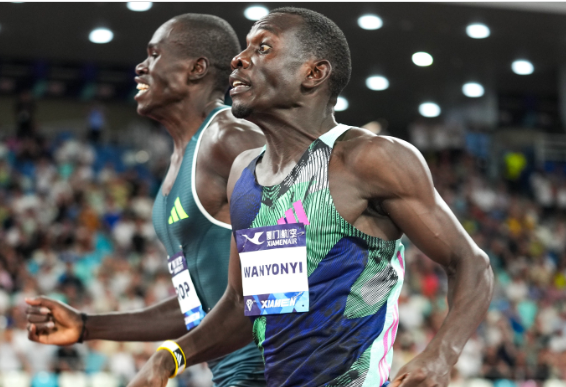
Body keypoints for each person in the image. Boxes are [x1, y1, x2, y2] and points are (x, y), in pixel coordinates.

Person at [129, 7, 495, 387]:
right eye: (245, 48)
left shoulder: (369, 158)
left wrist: (441, 354)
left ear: (314, 73)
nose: (239, 59)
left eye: (263, 47)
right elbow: (241, 305)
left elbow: (471, 263)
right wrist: (169, 357)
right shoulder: (244, 173)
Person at [25, 14, 266, 387]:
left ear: (196, 69)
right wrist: (88, 326)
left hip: (280, 371)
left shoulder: (232, 140)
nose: (140, 67)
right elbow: (199, 304)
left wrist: (170, 357)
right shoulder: (177, 166)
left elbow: (275, 285)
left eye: (154, 55)